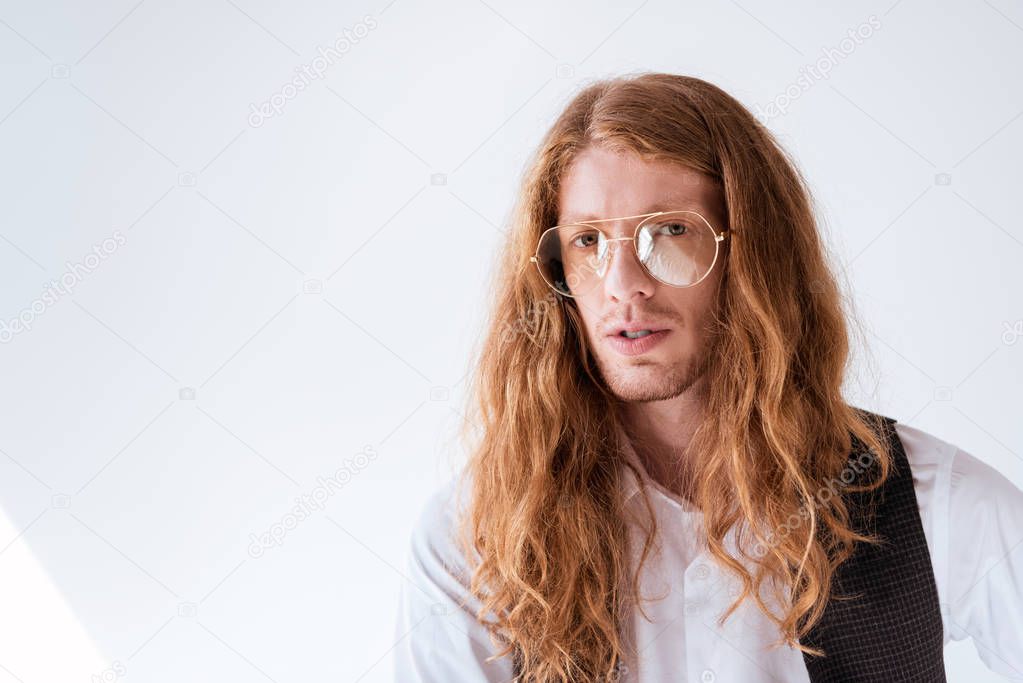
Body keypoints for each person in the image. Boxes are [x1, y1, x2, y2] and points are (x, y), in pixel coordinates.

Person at [393, 72, 1023, 682]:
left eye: (669, 231)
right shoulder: (475, 539)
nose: (623, 286)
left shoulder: (935, 502)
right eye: (587, 242)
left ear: (752, 254)